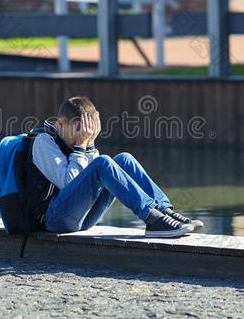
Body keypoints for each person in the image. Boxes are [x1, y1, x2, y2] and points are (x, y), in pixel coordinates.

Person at [22, 96, 203, 238]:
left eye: (88, 131)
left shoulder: (76, 139)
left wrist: (90, 144)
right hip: (54, 220)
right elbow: (69, 184)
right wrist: (82, 145)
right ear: (61, 124)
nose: (83, 135)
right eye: (79, 130)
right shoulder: (43, 142)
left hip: (81, 217)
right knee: (103, 162)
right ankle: (151, 218)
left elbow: (90, 181)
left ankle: (165, 212)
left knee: (124, 159)